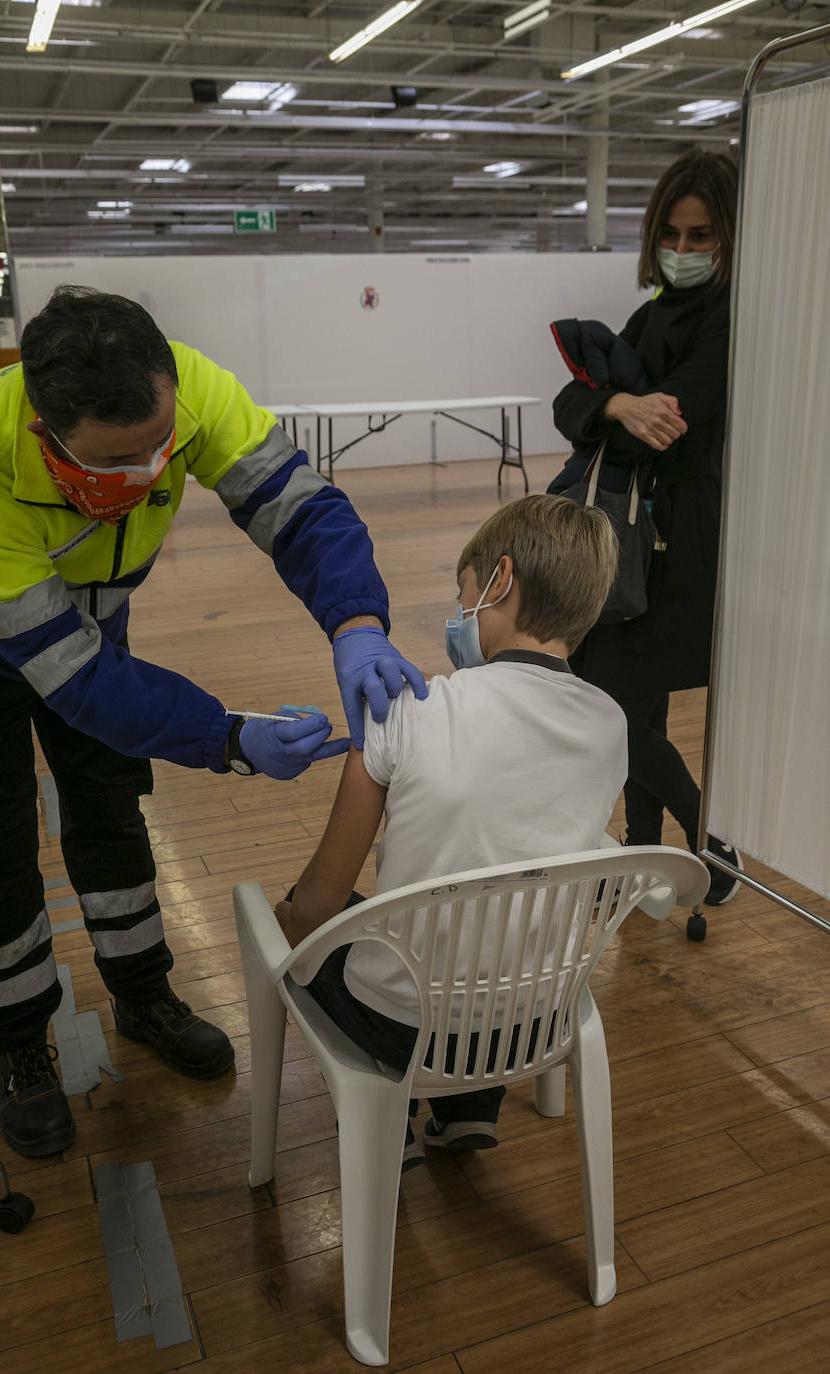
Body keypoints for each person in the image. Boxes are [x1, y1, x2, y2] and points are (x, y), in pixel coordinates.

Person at [0, 285, 426, 1158]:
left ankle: (144, 991)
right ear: (46, 437)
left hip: (95, 615)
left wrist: (358, 624)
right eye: (117, 463)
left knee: (110, 803)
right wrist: (227, 737)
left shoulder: (191, 390)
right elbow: (80, 685)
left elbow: (302, 511)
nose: (152, 473)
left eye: (162, 446)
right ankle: (15, 1046)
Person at [275, 494, 627, 1165]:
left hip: (401, 1032)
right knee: (498, 915)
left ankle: (394, 1117)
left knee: (315, 926)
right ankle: (470, 1108)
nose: (456, 610)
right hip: (532, 1024)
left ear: (500, 579)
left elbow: (322, 897)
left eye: (461, 591)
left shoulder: (406, 709)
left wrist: (281, 927)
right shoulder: (610, 724)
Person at [548, 149, 740, 905]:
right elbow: (572, 408)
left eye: (701, 237)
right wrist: (618, 406)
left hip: (681, 543)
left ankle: (712, 850)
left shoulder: (728, 317)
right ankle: (640, 854)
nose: (684, 251)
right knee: (638, 706)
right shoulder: (653, 311)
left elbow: (667, 426)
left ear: (728, 239)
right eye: (673, 234)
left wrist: (617, 410)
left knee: (613, 707)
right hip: (630, 539)